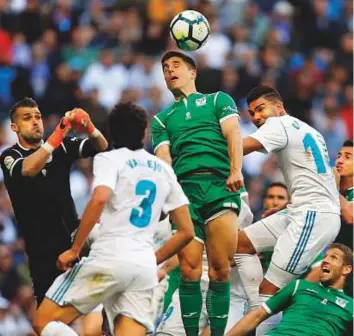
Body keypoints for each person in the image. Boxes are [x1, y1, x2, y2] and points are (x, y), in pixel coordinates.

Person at [32, 102, 195, 336]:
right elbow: (187, 231)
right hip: (143, 269)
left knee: (44, 322)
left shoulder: (110, 160)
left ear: (111, 131)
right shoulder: (164, 170)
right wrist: (151, 259)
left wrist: (75, 248)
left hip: (109, 257)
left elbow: (99, 199)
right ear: (145, 132)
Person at [151, 50, 243, 336]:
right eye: (165, 68)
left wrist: (236, 170)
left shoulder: (218, 100)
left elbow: (233, 134)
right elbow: (165, 158)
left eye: (175, 65)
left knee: (219, 270)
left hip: (219, 186)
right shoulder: (162, 119)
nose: (169, 70)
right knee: (189, 272)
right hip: (185, 194)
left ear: (193, 72)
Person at [235, 85, 340, 334]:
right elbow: (322, 177)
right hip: (302, 210)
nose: (257, 117)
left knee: (270, 294)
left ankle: (258, 311)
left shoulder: (278, 124)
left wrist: (200, 149)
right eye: (252, 114)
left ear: (279, 107)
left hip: (312, 217)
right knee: (240, 244)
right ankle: (255, 306)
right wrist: (288, 205)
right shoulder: (311, 130)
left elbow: (240, 148)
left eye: (261, 109)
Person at [0, 97, 108, 308]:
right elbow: (29, 169)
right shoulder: (9, 156)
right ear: (14, 127)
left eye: (38, 117)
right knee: (46, 322)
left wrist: (90, 126)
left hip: (74, 240)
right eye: (27, 118)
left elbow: (101, 147)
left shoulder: (62, 146)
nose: (35, 121)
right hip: (42, 254)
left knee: (101, 236)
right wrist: (59, 133)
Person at [156, 188, 253, 336]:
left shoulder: (234, 190)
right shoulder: (185, 191)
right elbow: (184, 245)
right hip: (193, 286)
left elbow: (241, 245)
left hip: (230, 294)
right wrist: (162, 269)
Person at [226, 243, 353, 336]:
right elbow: (257, 316)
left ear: (346, 269)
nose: (325, 260)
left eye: (333, 257)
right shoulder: (299, 286)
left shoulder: (351, 306)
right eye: (325, 257)